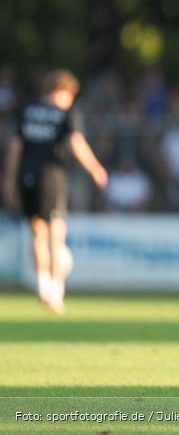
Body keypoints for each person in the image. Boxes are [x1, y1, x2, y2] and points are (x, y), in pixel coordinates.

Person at [2, 70, 108, 313]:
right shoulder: (64, 113)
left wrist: (10, 181)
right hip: (51, 177)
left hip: (25, 177)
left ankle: (43, 286)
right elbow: (75, 143)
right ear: (65, 91)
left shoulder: (28, 111)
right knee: (56, 234)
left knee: (37, 233)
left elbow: (15, 147)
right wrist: (95, 168)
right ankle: (57, 290)